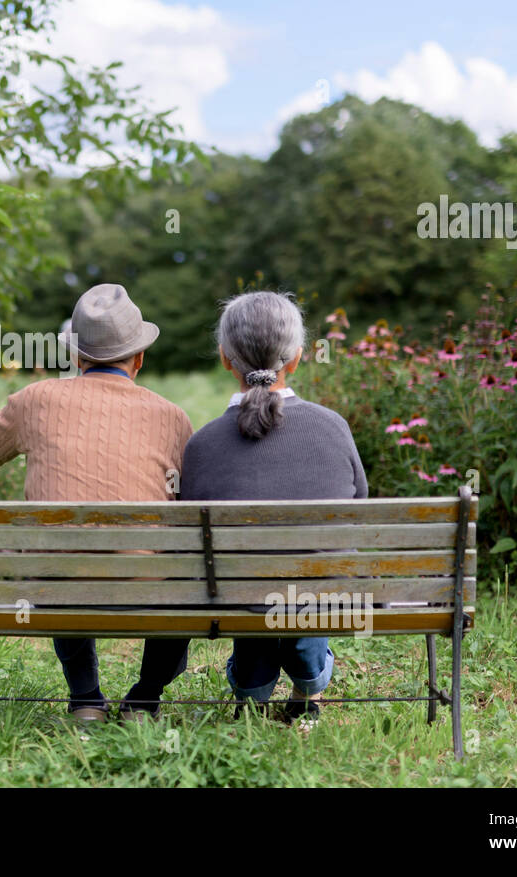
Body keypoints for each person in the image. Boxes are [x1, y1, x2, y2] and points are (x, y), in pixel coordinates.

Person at [0, 283, 195, 723]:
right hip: (149, 590)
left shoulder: (36, 400)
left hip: (54, 589)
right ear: (139, 358)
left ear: (77, 358)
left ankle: (86, 699)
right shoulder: (173, 417)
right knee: (182, 574)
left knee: (61, 556)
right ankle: (144, 700)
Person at [179, 290, 368, 724]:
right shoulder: (332, 427)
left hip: (236, 596)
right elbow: (359, 507)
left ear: (226, 358)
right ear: (297, 357)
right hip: (320, 592)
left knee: (250, 574)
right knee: (310, 577)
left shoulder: (202, 444)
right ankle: (309, 683)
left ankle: (252, 687)